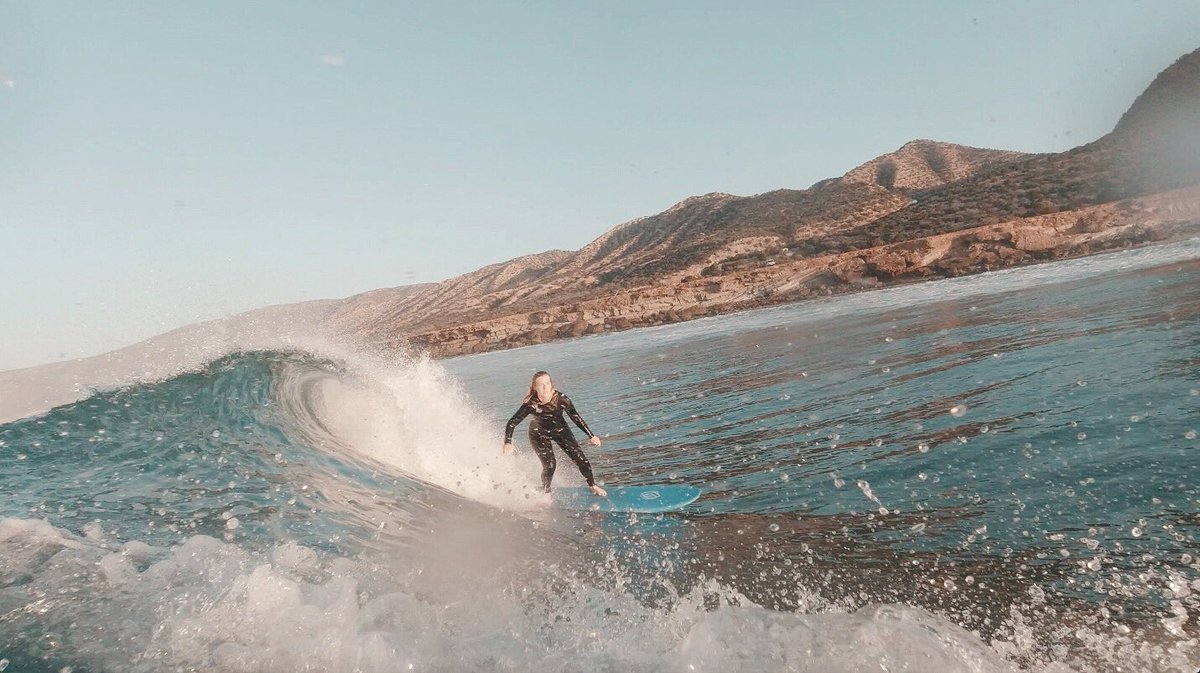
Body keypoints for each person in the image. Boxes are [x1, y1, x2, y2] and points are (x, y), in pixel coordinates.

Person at [503, 371, 608, 497]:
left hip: (560, 430)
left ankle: (593, 485)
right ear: (535, 387)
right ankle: (546, 490)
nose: (545, 386)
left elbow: (575, 417)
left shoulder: (561, 398)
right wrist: (508, 442)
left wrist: (591, 435)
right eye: (541, 384)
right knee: (550, 465)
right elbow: (512, 422)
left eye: (547, 383)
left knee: (581, 459)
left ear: (551, 383)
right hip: (538, 434)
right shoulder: (530, 404)